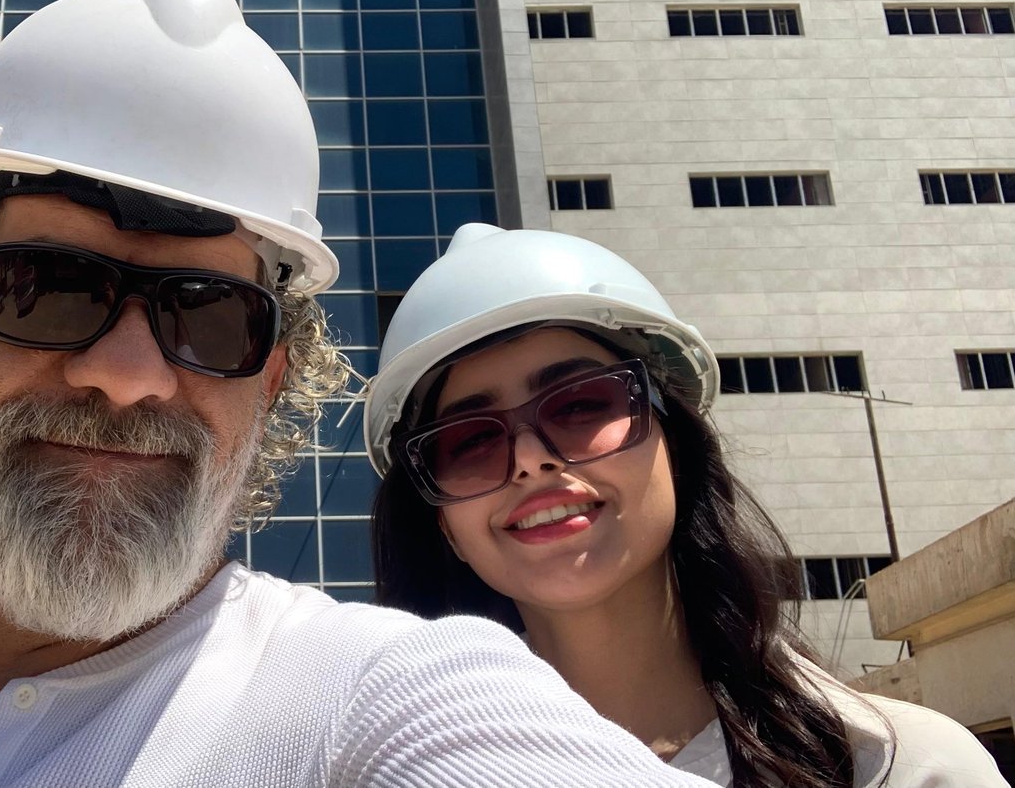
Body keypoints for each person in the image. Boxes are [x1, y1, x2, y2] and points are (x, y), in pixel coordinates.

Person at [0, 0, 722, 787]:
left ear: (270, 386)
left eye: (207, 317)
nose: (125, 374)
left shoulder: (378, 702)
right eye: (48, 290)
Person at [364, 223, 1011, 788]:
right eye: (470, 441)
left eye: (581, 404)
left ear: (676, 444)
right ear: (445, 525)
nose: (530, 458)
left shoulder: (898, 766)